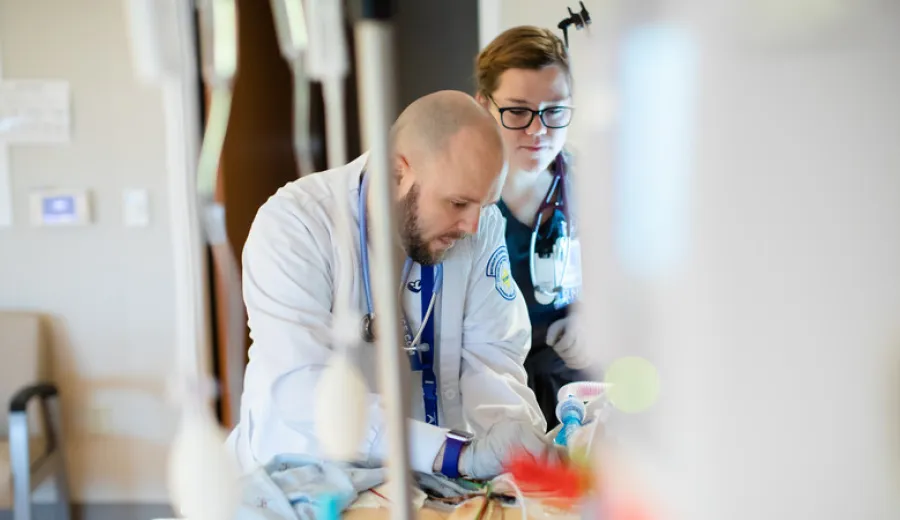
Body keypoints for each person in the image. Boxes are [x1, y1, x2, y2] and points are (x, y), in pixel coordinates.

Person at [226, 90, 552, 481]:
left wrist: (509, 439)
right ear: (398, 172)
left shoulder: (480, 227)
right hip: (300, 476)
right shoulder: (295, 225)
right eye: (457, 203)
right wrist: (456, 455)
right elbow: (303, 390)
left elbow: (493, 354)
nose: (473, 226)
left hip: (416, 477)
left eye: (484, 205)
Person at [475, 26, 594, 428]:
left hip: (574, 389)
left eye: (554, 110)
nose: (538, 130)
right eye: (518, 111)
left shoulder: (590, 186)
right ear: (483, 106)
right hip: (489, 394)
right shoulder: (464, 198)